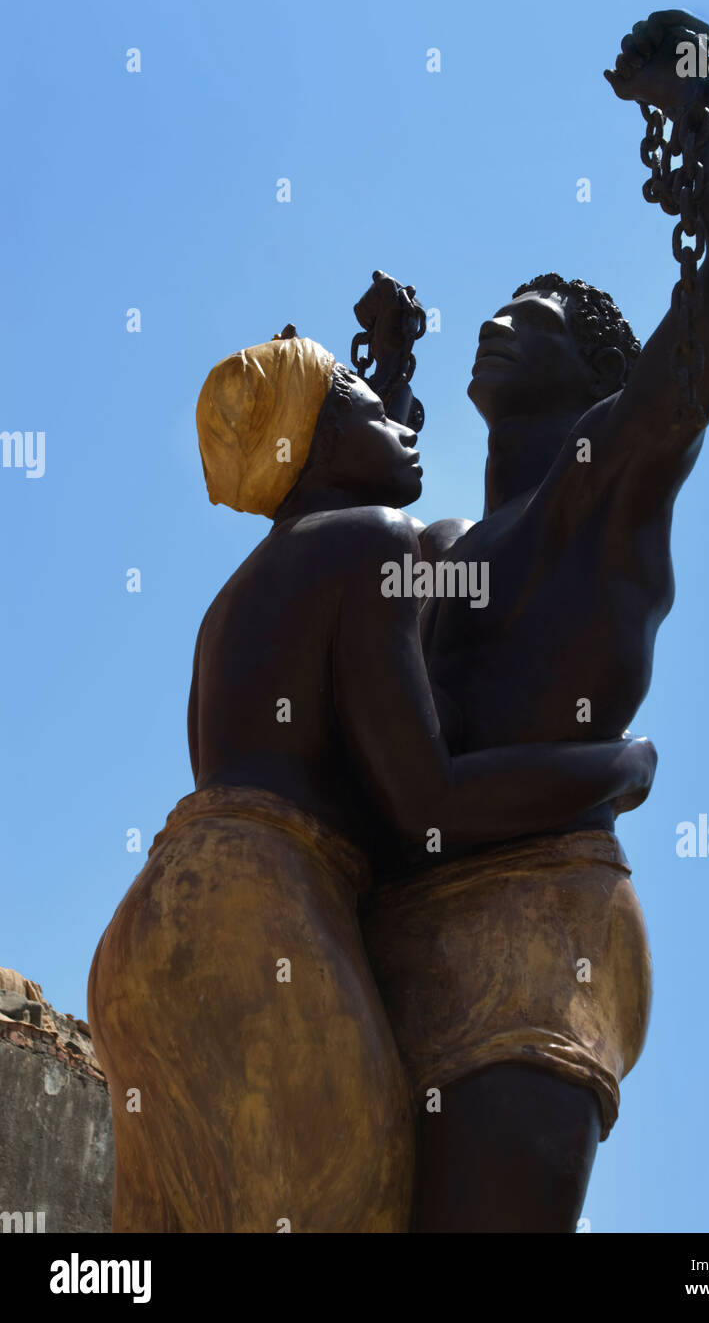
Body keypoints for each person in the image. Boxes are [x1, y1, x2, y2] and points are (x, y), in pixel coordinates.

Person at [363, 10, 709, 1232]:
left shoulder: (606, 476)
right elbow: (351, 600)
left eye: (531, 315)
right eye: (493, 312)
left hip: (535, 931)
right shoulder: (447, 553)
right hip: (389, 927)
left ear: (595, 369)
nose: (495, 322)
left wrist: (697, 106)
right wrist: (379, 383)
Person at [87, 328, 654, 1233]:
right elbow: (426, 801)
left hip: (153, 927)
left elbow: (340, 757)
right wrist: (614, 766)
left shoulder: (243, 592)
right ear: (318, 435)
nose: (401, 422)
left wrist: (375, 378)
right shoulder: (375, 542)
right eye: (370, 404)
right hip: (258, 909)